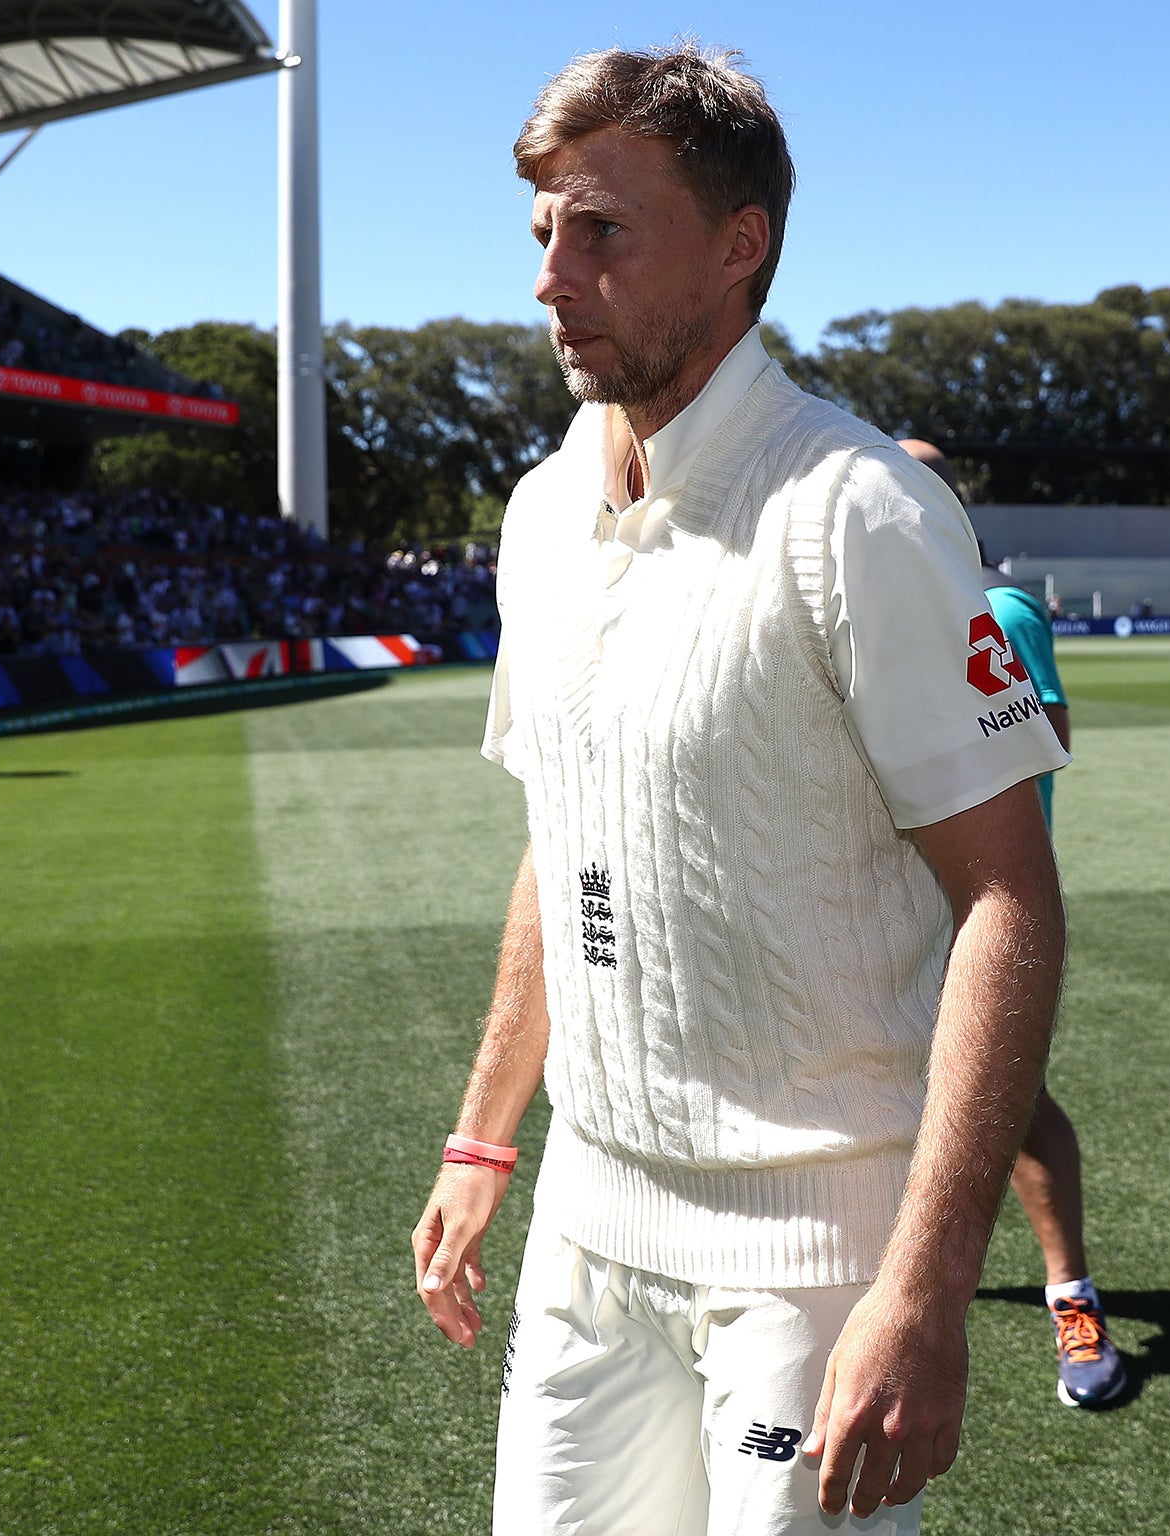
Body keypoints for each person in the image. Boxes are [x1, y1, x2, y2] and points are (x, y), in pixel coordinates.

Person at [410, 44, 1070, 1534]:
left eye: (600, 231)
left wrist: (925, 1287)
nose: (550, 281)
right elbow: (558, 836)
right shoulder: (537, 512)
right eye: (541, 237)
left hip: (809, 1267)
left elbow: (1010, 903)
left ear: (737, 245)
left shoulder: (864, 515)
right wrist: (482, 1134)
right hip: (586, 1231)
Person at [898, 438, 1126, 1409]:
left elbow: (1045, 744)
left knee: (1012, 1104)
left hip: (975, 908)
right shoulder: (886, 602)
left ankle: (1070, 1298)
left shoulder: (998, 607)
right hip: (882, 906)